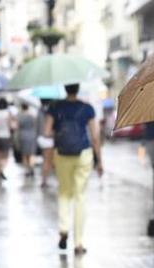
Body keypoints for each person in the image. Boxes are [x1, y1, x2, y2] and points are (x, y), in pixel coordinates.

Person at [43, 83, 103, 255]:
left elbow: (46, 132)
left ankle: (63, 229)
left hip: (62, 154)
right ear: (77, 88)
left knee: (64, 193)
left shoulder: (54, 107)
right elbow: (95, 137)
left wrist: (60, 132)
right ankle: (78, 243)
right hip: (83, 154)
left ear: (65, 88)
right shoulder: (87, 108)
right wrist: (100, 162)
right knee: (80, 197)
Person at [17, 103, 38, 177]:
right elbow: (35, 125)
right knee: (31, 154)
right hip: (32, 135)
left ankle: (26, 170)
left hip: (23, 135)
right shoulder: (32, 115)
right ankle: (31, 168)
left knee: (24, 154)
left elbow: (17, 126)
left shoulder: (19, 116)